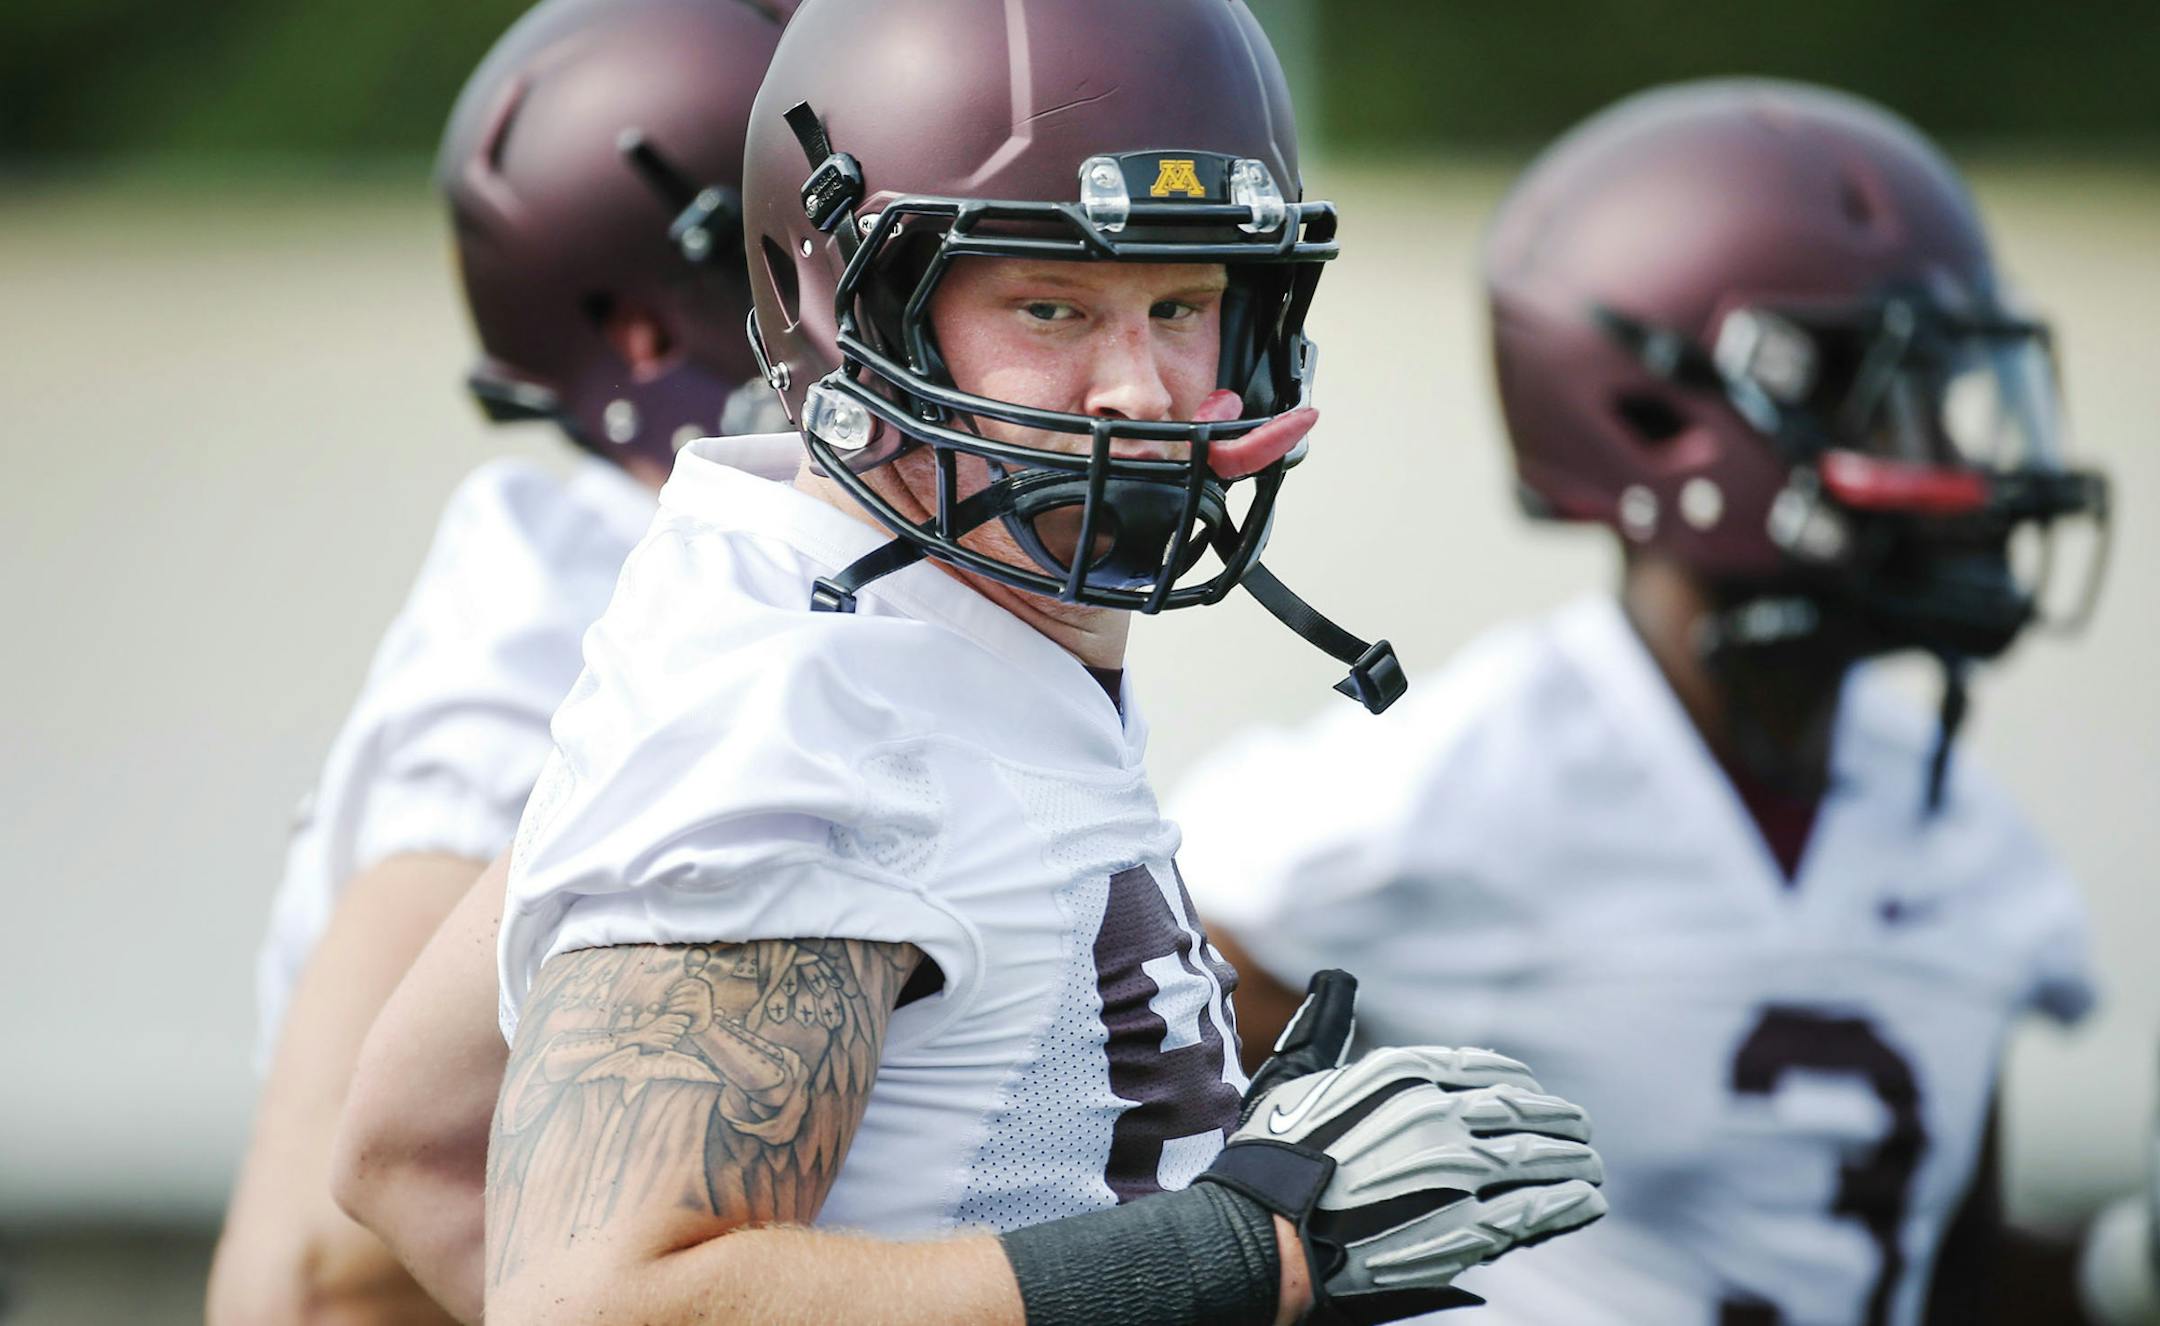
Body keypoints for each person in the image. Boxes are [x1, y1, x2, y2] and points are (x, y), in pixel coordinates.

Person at [335, 2, 1607, 1324]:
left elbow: (417, 1145)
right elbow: (595, 1308)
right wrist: (1237, 1256)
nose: (1144, 391)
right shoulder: (806, 709)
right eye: (1050, 303)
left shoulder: (903, 628)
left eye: (1183, 301)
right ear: (850, 306)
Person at [1171, 79, 2112, 1326]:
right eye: (1882, 394)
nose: (1954, 457)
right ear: (1659, 415)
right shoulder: (1452, 787)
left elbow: (1944, 1266)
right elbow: (1150, 1115)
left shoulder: (1962, 831)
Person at [207, 2, 795, 1321]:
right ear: (645, 327)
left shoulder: (767, 584)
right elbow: (316, 1253)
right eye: (811, 252)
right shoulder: (563, 613)